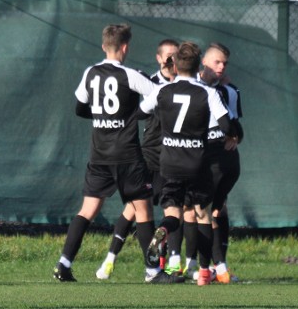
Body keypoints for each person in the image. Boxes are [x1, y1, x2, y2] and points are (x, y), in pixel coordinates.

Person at [54, 24, 178, 284]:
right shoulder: (129, 75)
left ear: (103, 46)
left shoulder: (90, 73)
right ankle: (153, 271)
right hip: (127, 156)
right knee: (143, 210)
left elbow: (79, 106)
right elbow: (158, 92)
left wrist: (101, 116)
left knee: (87, 209)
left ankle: (64, 263)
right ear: (125, 47)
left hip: (99, 155)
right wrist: (136, 113)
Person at [140, 42, 230, 286]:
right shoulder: (207, 93)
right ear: (198, 63)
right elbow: (226, 125)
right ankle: (203, 272)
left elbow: (142, 111)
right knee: (202, 213)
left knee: (173, 213)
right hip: (197, 163)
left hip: (168, 163)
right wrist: (234, 136)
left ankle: (164, 231)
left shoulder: (163, 91)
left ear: (175, 64)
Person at [95, 38, 178, 280]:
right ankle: (161, 265)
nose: (172, 61)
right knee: (150, 209)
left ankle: (113, 261)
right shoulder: (149, 83)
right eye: (168, 56)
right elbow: (136, 111)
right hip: (152, 156)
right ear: (159, 58)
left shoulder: (184, 85)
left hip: (170, 156)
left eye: (177, 57)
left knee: (140, 209)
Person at [188, 42, 243, 284]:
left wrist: (237, 136)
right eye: (216, 62)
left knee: (215, 210)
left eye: (224, 63)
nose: (221, 67)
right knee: (198, 211)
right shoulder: (192, 87)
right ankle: (204, 265)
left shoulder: (229, 91)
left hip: (223, 159)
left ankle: (216, 266)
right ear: (203, 63)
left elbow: (234, 124)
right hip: (196, 156)